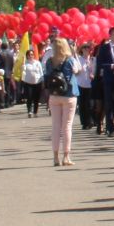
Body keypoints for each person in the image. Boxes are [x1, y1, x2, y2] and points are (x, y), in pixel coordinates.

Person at [44, 37, 80, 167]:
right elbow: (78, 70)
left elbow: (46, 76)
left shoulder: (49, 61)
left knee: (55, 126)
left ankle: (55, 157)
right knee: (67, 126)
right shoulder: (70, 60)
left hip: (54, 95)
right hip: (69, 94)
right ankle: (66, 156)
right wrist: (74, 52)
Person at [20, 42, 45, 117]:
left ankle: (35, 111)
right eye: (29, 55)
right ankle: (29, 111)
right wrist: (23, 63)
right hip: (28, 83)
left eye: (32, 54)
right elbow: (23, 71)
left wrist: (43, 82)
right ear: (27, 56)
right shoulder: (25, 64)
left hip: (37, 83)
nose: (31, 56)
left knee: (36, 98)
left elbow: (41, 72)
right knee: (29, 97)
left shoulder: (37, 63)